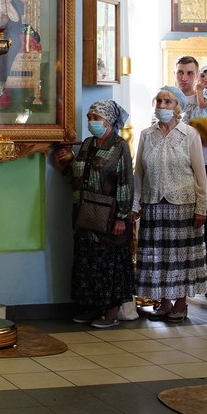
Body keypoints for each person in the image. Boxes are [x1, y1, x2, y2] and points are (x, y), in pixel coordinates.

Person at [52, 100, 135, 329]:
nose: (91, 122)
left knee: (108, 264)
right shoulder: (88, 144)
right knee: (87, 264)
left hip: (108, 216)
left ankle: (111, 312)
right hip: (85, 215)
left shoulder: (119, 146)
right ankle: (93, 307)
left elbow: (125, 183)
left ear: (108, 120)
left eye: (96, 118)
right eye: (89, 118)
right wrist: (63, 166)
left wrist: (121, 217)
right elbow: (77, 177)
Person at [132, 85, 207, 322]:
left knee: (181, 257)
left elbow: (200, 174)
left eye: (168, 102)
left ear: (177, 107)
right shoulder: (147, 134)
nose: (162, 106)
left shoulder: (190, 134)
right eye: (159, 101)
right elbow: (139, 173)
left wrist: (201, 207)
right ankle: (164, 302)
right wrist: (135, 204)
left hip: (183, 205)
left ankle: (181, 303)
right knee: (159, 257)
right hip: (154, 204)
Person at [175, 56, 207, 303]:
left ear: (198, 76)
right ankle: (181, 285)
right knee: (182, 226)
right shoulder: (173, 100)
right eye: (180, 72)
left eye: (189, 73)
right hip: (182, 168)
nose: (184, 77)